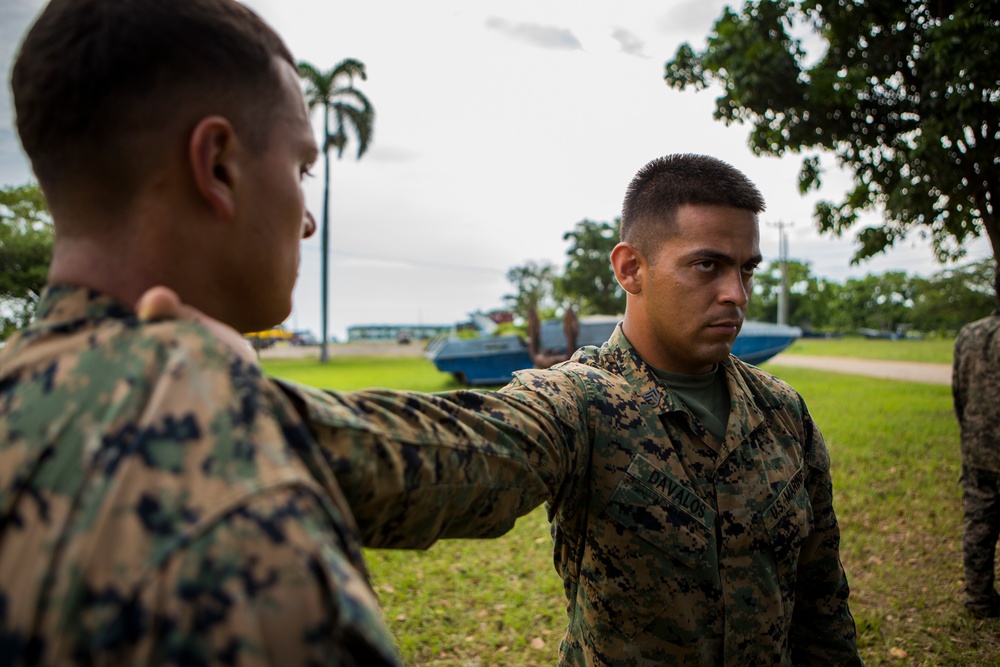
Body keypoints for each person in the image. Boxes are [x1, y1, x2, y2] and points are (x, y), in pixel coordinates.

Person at [261, 154, 863, 664]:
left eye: (746, 269)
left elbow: (820, 597)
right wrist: (249, 417)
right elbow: (470, 450)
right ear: (631, 268)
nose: (736, 293)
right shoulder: (583, 401)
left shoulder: (782, 410)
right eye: (707, 264)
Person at [1, 0, 404, 663]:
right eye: (302, 168)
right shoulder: (235, 501)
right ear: (218, 164)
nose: (306, 219)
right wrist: (222, 402)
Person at [953, 272, 1000, 619]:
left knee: (979, 524)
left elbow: (959, 392)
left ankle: (977, 598)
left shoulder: (971, 334)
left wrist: (971, 432)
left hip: (978, 449)